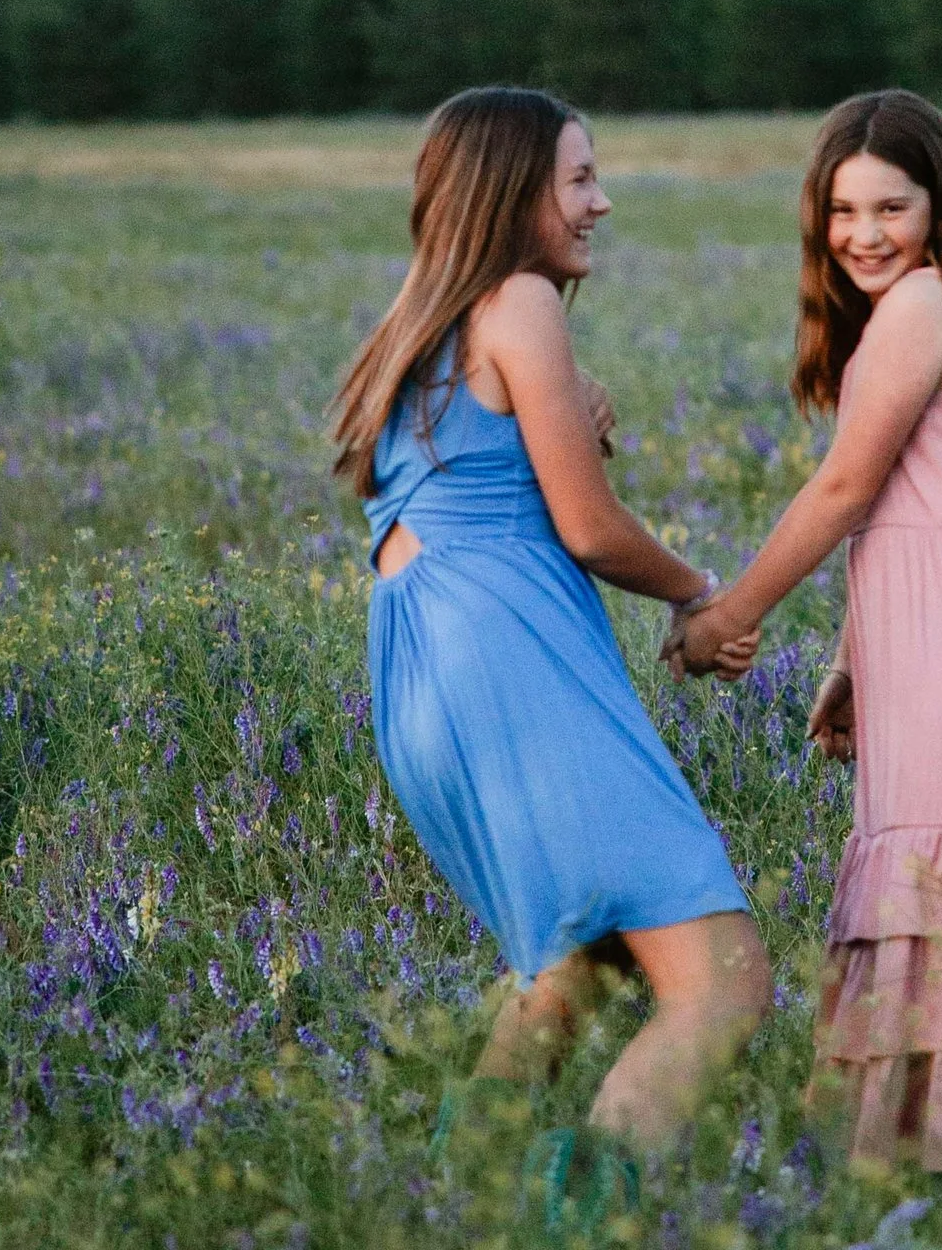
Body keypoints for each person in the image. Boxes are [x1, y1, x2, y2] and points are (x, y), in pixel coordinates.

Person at [330, 86, 769, 1197]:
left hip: (430, 684)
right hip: (517, 675)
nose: (600, 201)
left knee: (565, 967)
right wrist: (698, 594)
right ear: (511, 194)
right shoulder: (520, 299)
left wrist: (574, 414)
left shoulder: (415, 327)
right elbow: (584, 528)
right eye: (578, 178)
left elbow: (484, 500)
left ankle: (461, 1197)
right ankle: (586, 1217)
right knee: (720, 980)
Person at [673, 89, 942, 1173]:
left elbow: (841, 491)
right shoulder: (930, 301)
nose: (864, 233)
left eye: (890, 205)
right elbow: (899, 508)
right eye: (841, 208)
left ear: (938, 204)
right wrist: (852, 659)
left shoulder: (919, 305)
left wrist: (727, 616)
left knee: (940, 879)